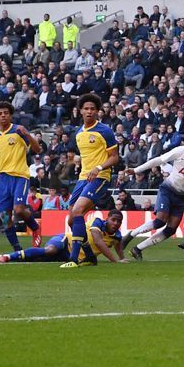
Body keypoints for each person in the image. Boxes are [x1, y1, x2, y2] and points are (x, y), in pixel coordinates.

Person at [121, 123, 184, 260]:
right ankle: (131, 235)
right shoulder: (181, 150)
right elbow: (159, 160)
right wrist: (136, 170)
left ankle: (138, 249)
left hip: (182, 196)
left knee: (171, 229)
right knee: (160, 220)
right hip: (167, 189)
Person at [61, 96, 119, 268]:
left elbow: (115, 157)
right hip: (83, 179)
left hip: (100, 177)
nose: (89, 111)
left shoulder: (105, 131)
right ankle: (90, 256)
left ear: (97, 111)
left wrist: (99, 167)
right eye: (86, 108)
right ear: (80, 111)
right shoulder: (79, 133)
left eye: (92, 108)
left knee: (78, 210)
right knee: (72, 220)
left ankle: (73, 259)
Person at [0, 101, 44, 252]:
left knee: (19, 209)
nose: (3, 116)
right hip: (3, 179)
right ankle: (17, 249)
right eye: (0, 114)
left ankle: (35, 227)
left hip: (20, 176)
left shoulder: (18, 131)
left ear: (10, 115)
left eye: (6, 113)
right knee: (5, 217)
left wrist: (27, 133)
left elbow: (38, 149)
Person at [0, 215, 127, 264]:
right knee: (49, 250)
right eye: (114, 220)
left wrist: (123, 258)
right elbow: (98, 241)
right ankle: (7, 256)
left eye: (119, 222)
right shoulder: (97, 222)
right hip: (65, 241)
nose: (116, 223)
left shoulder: (116, 236)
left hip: (70, 258)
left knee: (33, 259)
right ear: (108, 219)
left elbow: (118, 245)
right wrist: (115, 261)